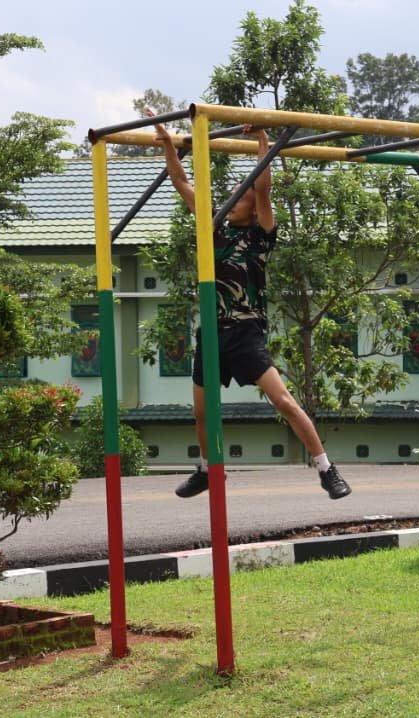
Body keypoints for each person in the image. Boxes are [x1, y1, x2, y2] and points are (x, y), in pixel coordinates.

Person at [150, 110, 350, 501]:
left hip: (245, 332)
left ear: (252, 208)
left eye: (240, 197)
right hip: (212, 332)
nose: (233, 201)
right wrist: (170, 145)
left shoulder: (261, 236)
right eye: (232, 197)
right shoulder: (213, 227)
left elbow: (264, 189)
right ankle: (207, 470)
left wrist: (262, 139)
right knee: (201, 412)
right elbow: (181, 181)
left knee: (284, 401)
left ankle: (326, 469)